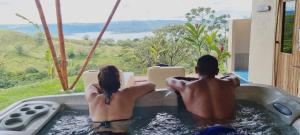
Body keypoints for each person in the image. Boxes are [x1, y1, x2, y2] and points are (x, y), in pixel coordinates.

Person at [166, 55, 240, 134]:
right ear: (217, 71)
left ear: (196, 70)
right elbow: (236, 78)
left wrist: (191, 80)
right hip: (229, 131)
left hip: (205, 132)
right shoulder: (230, 84)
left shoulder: (186, 87)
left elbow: (168, 80)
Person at [85, 65, 155, 135]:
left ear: (100, 83)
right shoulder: (128, 93)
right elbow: (152, 85)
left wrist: (105, 84)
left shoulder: (93, 98)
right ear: (118, 80)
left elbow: (91, 86)